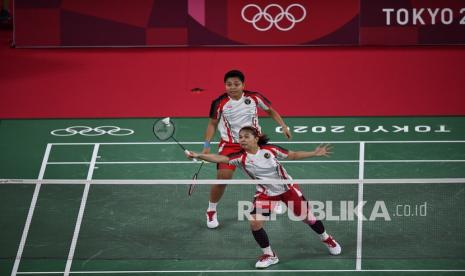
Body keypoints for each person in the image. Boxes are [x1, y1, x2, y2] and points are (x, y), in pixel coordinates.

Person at [187, 126, 341, 269]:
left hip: (287, 188)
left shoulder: (270, 150)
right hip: (265, 193)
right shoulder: (240, 157)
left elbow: (293, 155)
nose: (242, 140)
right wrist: (198, 155)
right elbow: (221, 159)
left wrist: (314, 153)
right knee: (255, 223)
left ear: (256, 138)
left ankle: (326, 238)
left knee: (308, 218)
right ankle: (270, 255)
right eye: (240, 137)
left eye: (246, 136)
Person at [202, 69, 291, 229]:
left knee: (270, 172)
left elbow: (270, 111)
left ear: (244, 85)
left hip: (254, 142)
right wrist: (206, 146)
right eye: (229, 84)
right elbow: (212, 124)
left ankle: (274, 198)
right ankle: (211, 210)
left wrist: (283, 126)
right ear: (225, 86)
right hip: (230, 145)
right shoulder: (219, 103)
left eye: (236, 84)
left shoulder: (254, 97)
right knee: (223, 178)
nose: (233, 87)